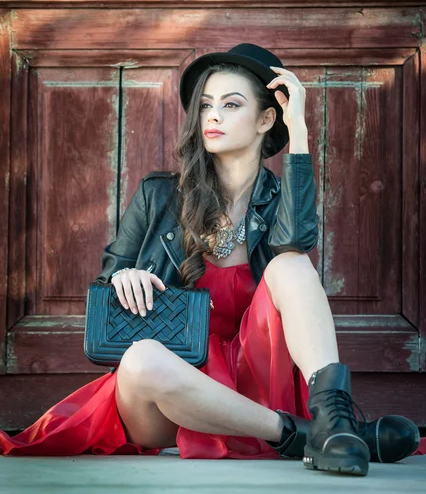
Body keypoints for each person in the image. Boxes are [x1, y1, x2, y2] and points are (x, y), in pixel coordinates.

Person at [0, 43, 424, 473]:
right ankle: (308, 435)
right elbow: (106, 290)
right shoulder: (158, 195)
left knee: (291, 263)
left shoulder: (282, 200)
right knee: (141, 358)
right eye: (205, 105)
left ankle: (333, 414)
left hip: (256, 379)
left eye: (231, 104)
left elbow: (296, 241)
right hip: (173, 390)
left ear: (265, 119)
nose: (213, 116)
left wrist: (299, 129)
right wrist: (125, 277)